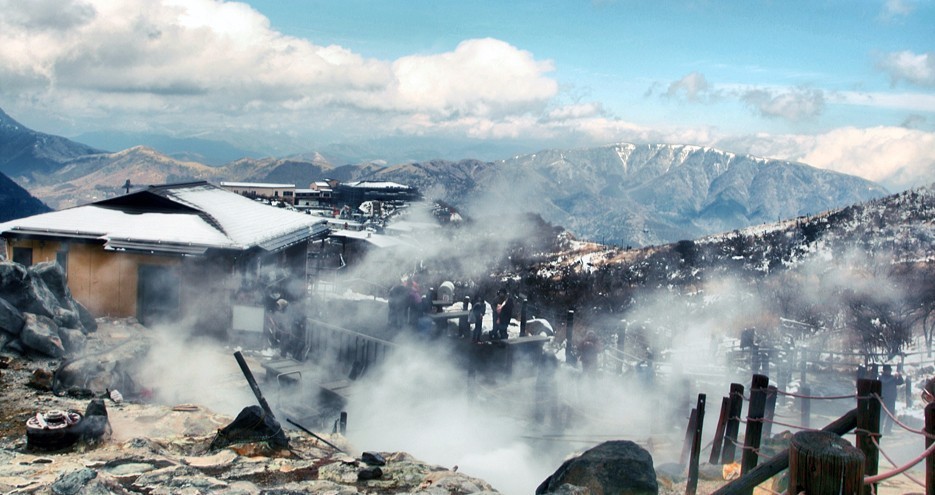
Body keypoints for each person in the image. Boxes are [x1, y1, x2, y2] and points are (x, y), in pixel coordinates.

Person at [879, 364, 904, 434]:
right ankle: (880, 430)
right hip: (884, 399)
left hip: (891, 399)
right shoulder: (881, 377)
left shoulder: (891, 378)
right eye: (888, 371)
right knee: (882, 415)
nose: (889, 372)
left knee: (891, 415)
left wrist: (899, 375)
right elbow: (885, 382)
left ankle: (887, 430)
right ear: (884, 371)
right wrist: (893, 377)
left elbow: (900, 382)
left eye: (890, 371)